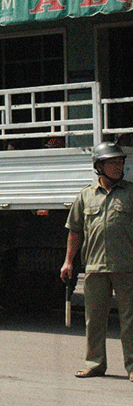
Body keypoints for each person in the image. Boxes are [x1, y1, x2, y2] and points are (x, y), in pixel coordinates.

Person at [60, 141, 133, 382]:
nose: (118, 166)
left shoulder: (131, 193)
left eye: (120, 162)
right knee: (95, 320)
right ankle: (95, 364)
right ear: (99, 166)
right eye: (113, 162)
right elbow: (75, 230)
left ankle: (132, 367)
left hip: (127, 267)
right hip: (95, 267)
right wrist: (68, 262)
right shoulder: (86, 196)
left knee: (130, 319)